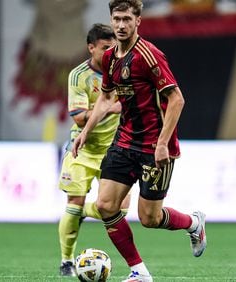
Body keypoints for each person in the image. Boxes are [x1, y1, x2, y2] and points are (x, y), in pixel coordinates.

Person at [72, 1, 207, 281]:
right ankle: (139, 271)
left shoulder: (150, 56)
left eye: (126, 19)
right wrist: (86, 131)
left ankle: (194, 223)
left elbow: (177, 99)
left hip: (155, 147)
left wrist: (161, 143)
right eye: (116, 19)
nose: (121, 25)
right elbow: (106, 97)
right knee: (106, 206)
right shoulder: (109, 57)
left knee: (150, 219)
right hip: (124, 142)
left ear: (138, 22)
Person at [57, 23, 133, 276]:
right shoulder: (79, 76)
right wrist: (110, 108)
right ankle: (67, 260)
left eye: (114, 47)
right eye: (104, 48)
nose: (111, 52)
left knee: (119, 209)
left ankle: (80, 213)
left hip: (115, 149)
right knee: (73, 200)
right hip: (83, 148)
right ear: (91, 48)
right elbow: (79, 118)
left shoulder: (124, 70)